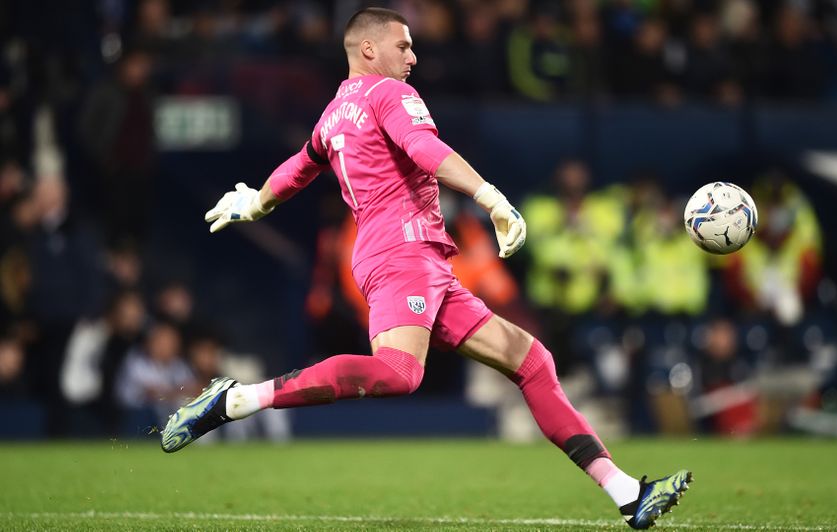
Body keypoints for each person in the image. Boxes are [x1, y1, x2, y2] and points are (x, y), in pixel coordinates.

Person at [160, 8, 690, 529]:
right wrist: (490, 195)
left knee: (530, 361)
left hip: (417, 260)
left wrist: (256, 202)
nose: (413, 56)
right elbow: (423, 146)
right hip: (402, 254)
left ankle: (627, 494)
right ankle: (236, 400)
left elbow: (301, 165)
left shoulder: (334, 112)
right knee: (398, 373)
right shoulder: (390, 94)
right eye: (403, 45)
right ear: (369, 49)